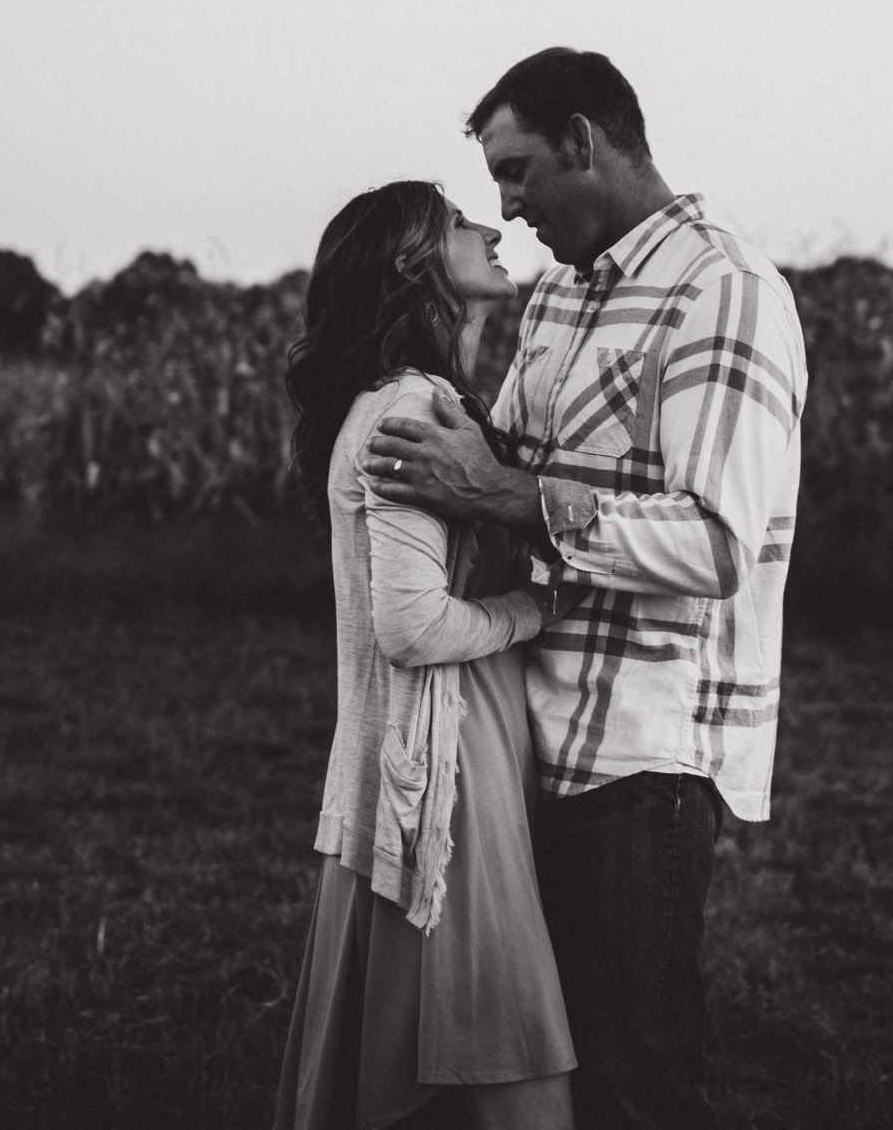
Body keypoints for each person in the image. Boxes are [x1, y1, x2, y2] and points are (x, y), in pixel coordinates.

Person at [363, 49, 807, 1130]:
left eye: (517, 173)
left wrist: (508, 492)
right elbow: (512, 453)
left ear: (584, 141)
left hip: (637, 758)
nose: (505, 210)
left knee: (627, 1075)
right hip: (525, 726)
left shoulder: (724, 291)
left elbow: (713, 545)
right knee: (534, 1063)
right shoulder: (560, 289)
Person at [272, 180, 578, 1130]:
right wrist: (536, 609)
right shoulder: (408, 406)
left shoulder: (420, 398)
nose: (491, 226)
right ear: (412, 267)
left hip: (450, 736)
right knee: (509, 1055)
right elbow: (411, 629)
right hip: (446, 754)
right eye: (456, 223)